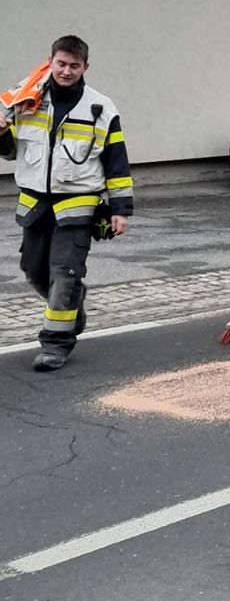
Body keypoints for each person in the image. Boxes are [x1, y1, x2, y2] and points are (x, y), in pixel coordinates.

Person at [0, 34, 133, 372]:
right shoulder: (27, 100)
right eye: (61, 63)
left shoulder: (101, 108)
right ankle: (74, 302)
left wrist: (120, 209)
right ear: (51, 61)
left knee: (64, 272)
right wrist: (1, 132)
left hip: (78, 206)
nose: (67, 71)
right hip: (34, 204)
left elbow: (116, 162)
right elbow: (11, 151)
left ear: (85, 67)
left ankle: (55, 343)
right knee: (33, 271)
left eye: (75, 65)